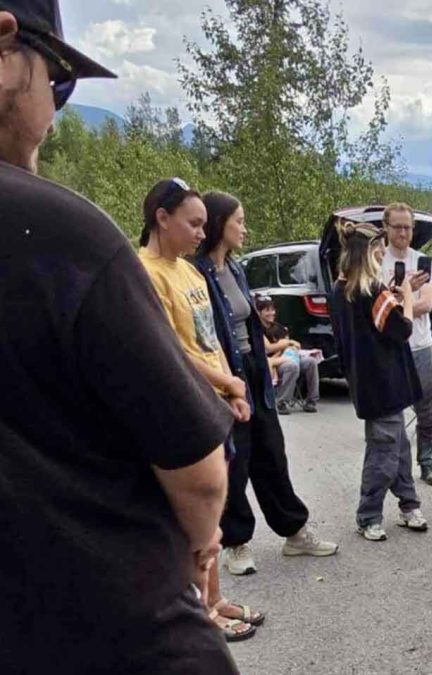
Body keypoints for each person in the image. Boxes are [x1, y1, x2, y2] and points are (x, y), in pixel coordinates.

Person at [0, 3, 238, 671]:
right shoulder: (60, 235)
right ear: (5, 47)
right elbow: (198, 473)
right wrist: (198, 549)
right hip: (104, 624)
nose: (57, 112)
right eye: (58, 81)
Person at [136, 178, 265, 642]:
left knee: (215, 509)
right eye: (192, 224)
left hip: (215, 404)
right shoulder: (145, 273)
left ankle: (214, 596)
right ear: (161, 217)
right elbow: (168, 349)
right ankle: (199, 612)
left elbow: (212, 340)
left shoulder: (191, 274)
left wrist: (234, 388)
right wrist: (225, 382)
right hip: (184, 405)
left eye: (204, 225)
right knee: (192, 516)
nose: (200, 233)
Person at [195, 191, 337, 576]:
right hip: (226, 373)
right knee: (235, 460)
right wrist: (226, 382)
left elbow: (250, 325)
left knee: (272, 452)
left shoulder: (235, 268)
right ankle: (235, 543)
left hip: (255, 370)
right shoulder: (197, 273)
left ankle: (294, 532)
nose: (245, 228)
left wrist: (267, 365)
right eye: (239, 221)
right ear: (219, 223)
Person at [330, 219, 430, 542]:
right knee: (384, 452)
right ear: (369, 252)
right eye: (380, 248)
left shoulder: (339, 289)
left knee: (399, 446)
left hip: (366, 382)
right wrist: (408, 297)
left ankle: (409, 504)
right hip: (385, 384)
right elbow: (402, 329)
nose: (383, 253)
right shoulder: (372, 291)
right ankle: (368, 515)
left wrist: (397, 295)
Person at [380, 202, 432, 486]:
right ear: (386, 227)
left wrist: (397, 302)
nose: (403, 233)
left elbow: (427, 304)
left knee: (425, 407)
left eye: (408, 227)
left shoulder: (423, 261)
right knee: (391, 409)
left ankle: (427, 461)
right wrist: (407, 296)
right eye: (397, 227)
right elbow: (375, 308)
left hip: (420, 343)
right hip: (390, 346)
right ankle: (395, 463)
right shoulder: (377, 262)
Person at [256, 294, 320, 413]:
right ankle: (282, 402)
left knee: (311, 362)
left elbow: (295, 345)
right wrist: (287, 343)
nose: (271, 313)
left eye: (272, 310)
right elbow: (269, 348)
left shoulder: (279, 328)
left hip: (286, 356)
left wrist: (287, 344)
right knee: (291, 366)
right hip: (272, 362)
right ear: (259, 313)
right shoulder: (257, 329)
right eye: (267, 310)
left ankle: (312, 400)